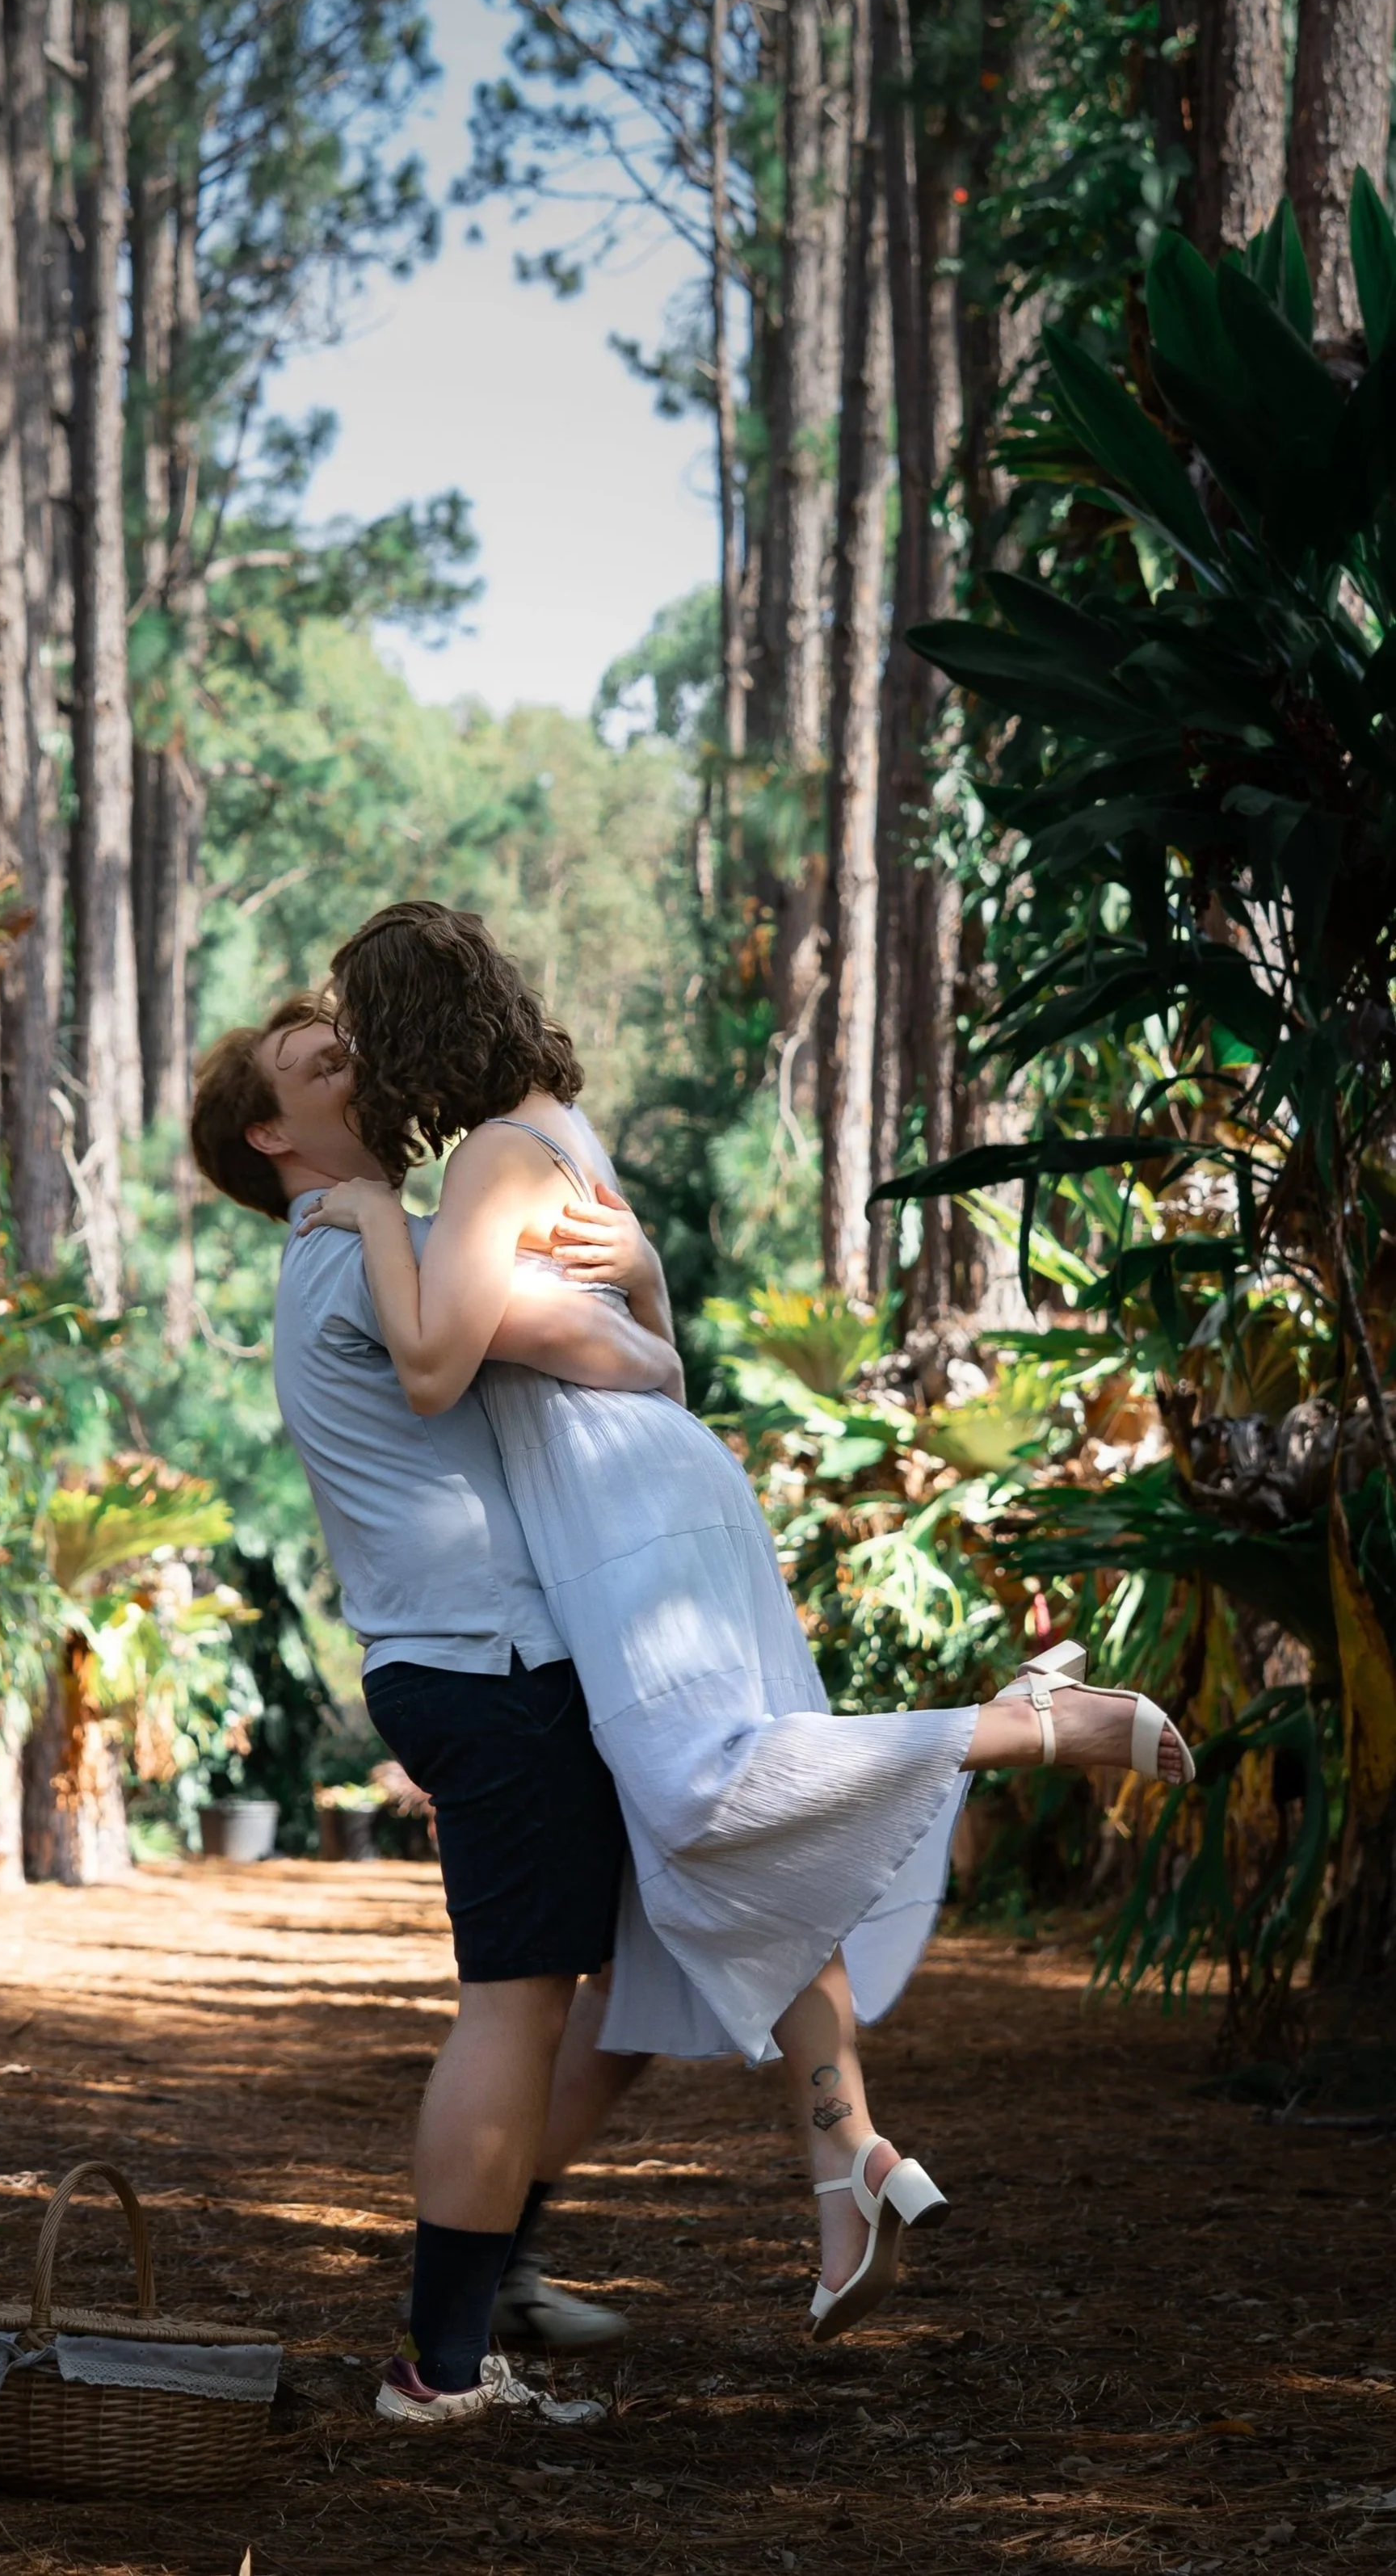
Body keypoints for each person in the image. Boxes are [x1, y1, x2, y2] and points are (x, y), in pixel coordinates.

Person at [301, 899, 1196, 2346]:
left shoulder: (483, 1158)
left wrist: (361, 1217)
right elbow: (638, 1341)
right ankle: (847, 2162)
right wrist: (645, 1283)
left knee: (712, 1784)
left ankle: (1026, 1724)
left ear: (406, 1037)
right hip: (664, 1479)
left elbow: (427, 1364)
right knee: (712, 1840)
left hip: (616, 1510)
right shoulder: (558, 1130)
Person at [190, 993, 679, 2427]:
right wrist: (642, 1281)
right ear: (274, 1132)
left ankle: (491, 2278)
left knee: (631, 1984)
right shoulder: (361, 1253)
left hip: (490, 1661)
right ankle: (443, 2363)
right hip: (493, 1666)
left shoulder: (369, 1245)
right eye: (328, 1062)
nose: (370, 1059)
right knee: (516, 2008)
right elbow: (637, 1367)